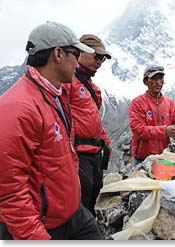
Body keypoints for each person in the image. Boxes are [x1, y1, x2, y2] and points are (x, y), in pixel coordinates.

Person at [0, 21, 101, 239]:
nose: (78, 61)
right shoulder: (18, 108)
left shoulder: (56, 95)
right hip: (43, 226)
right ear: (58, 54)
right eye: (74, 53)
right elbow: (10, 191)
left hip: (72, 214)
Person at [63, 34, 112, 217]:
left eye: (102, 59)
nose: (99, 62)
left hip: (95, 154)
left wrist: (105, 141)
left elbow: (94, 119)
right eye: (96, 56)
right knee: (80, 199)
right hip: (78, 154)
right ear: (81, 52)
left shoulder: (94, 89)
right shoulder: (67, 83)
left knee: (94, 194)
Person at [129, 65, 175, 166]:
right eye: (154, 79)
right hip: (143, 158)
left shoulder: (170, 103)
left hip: (164, 156)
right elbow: (138, 129)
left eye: (161, 78)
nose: (158, 82)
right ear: (145, 81)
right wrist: (165, 131)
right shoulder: (137, 103)